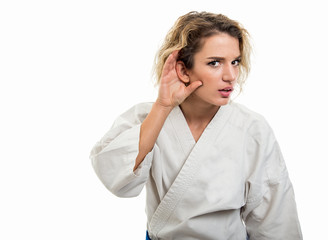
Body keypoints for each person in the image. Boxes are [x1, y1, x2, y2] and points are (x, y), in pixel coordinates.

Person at [90, 11, 303, 240]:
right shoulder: (147, 118)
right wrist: (163, 106)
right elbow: (115, 180)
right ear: (183, 70)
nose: (231, 75)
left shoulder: (252, 128)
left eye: (235, 62)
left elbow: (275, 218)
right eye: (214, 63)